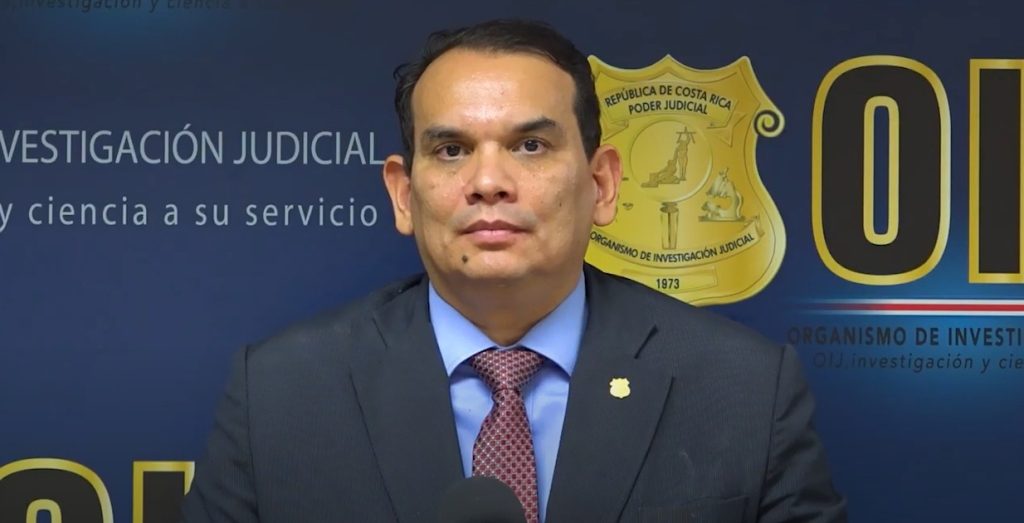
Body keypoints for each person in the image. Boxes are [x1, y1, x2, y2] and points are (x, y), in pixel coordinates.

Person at [180, 19, 847, 523]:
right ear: (404, 195)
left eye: (530, 145)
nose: (488, 181)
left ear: (602, 184)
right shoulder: (279, 395)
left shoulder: (743, 390)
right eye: (451, 149)